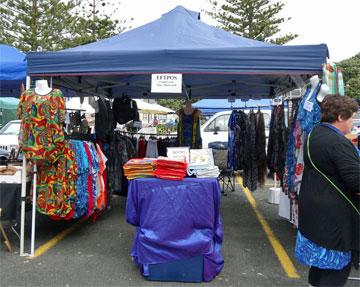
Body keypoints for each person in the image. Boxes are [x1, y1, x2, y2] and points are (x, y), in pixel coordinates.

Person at [295, 95, 359, 286]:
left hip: (315, 211)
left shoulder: (314, 133)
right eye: (351, 118)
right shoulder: (338, 142)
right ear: (340, 117)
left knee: (319, 266)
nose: (352, 123)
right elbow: (356, 181)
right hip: (335, 218)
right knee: (335, 271)